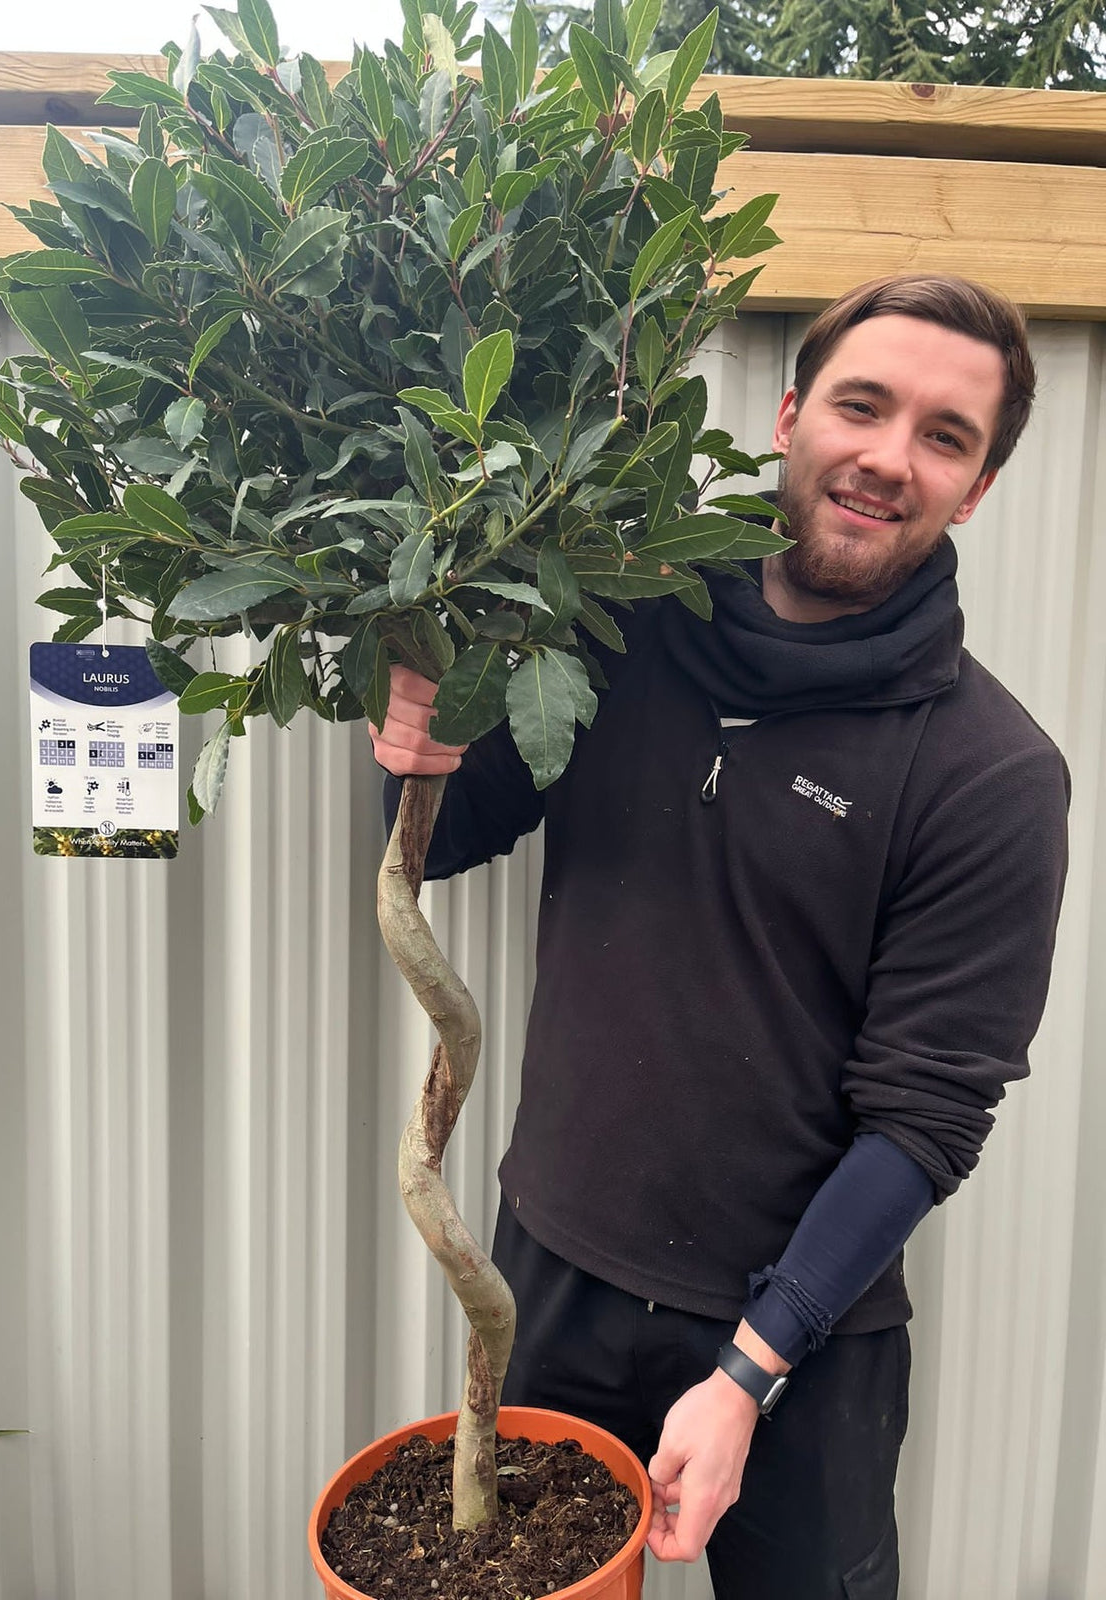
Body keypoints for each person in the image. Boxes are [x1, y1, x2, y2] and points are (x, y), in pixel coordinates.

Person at [370, 274, 1070, 1600]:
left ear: (974, 489)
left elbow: (925, 1119)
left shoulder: (989, 770)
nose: (887, 457)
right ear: (790, 416)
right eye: (862, 407)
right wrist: (417, 737)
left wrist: (752, 1369)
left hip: (803, 1336)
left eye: (944, 436)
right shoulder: (625, 623)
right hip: (553, 1277)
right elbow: (456, 831)